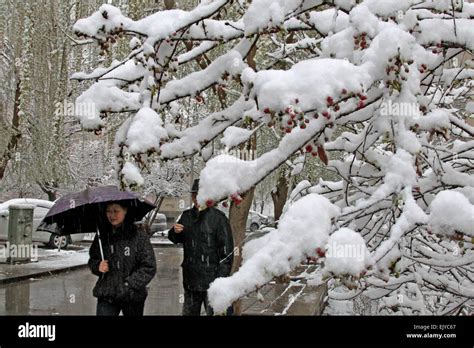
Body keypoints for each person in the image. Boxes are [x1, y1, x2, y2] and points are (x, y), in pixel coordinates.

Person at [168, 179, 234, 315]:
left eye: (199, 194)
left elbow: (227, 254)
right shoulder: (186, 216)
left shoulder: (219, 219)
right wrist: (174, 232)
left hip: (213, 283)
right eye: (194, 195)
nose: (196, 198)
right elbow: (175, 238)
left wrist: (220, 281)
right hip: (191, 281)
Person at [88, 201, 157, 316]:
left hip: (132, 295)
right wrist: (98, 265)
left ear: (125, 211)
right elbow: (93, 259)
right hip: (107, 292)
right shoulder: (102, 235)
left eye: (116, 211)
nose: (112, 215)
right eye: (108, 211)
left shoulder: (138, 235)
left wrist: (129, 284)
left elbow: (149, 266)